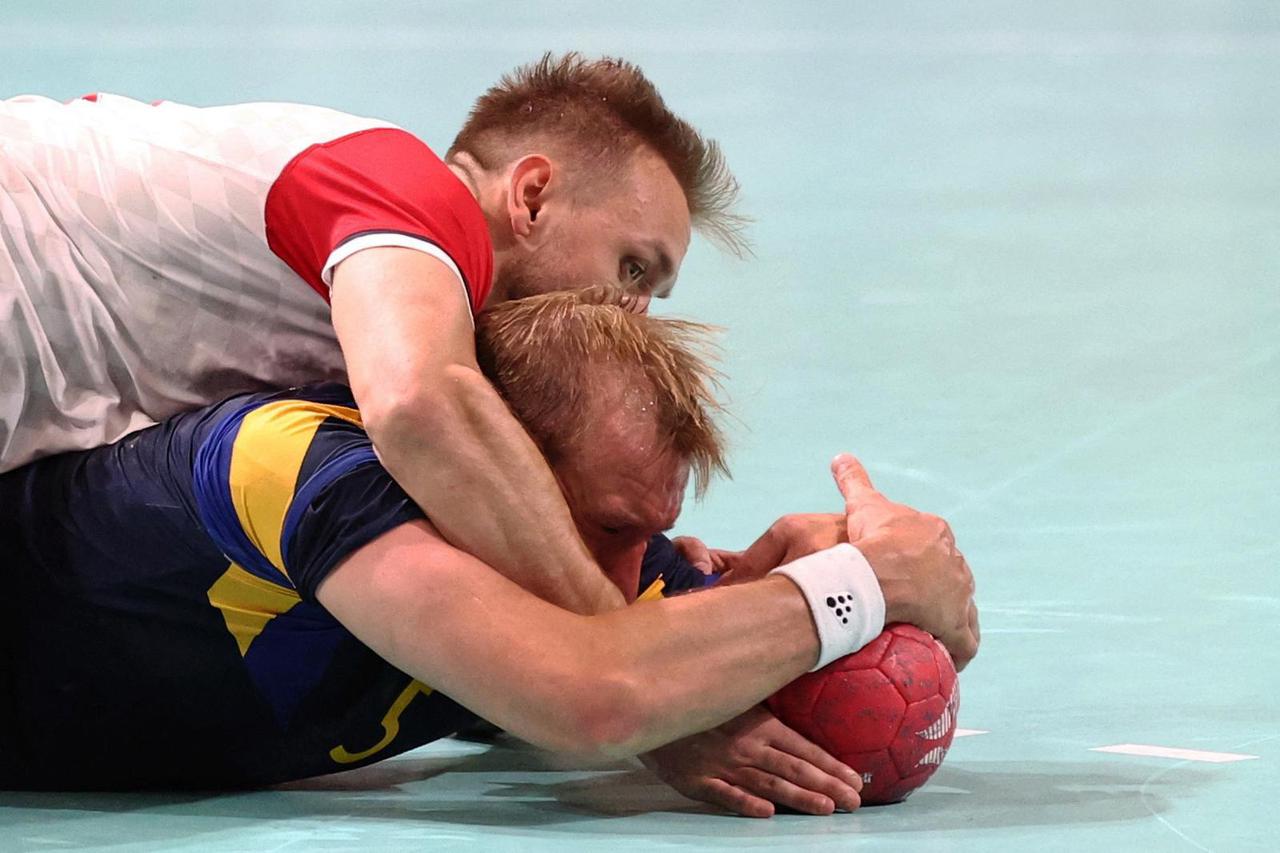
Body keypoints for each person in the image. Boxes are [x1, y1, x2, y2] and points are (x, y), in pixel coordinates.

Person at [0, 55, 981, 667]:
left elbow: (499, 502)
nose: (632, 312)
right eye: (631, 266)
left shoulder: (376, 306)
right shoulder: (406, 191)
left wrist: (724, 596)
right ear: (533, 196)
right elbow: (421, 407)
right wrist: (626, 650)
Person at [0, 290, 974, 818]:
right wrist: (855, 583)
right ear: (489, 460)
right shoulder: (285, 467)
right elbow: (596, 693)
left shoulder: (610, 569)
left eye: (648, 532)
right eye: (602, 529)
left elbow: (695, 656)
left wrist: (832, 576)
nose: (629, 582)